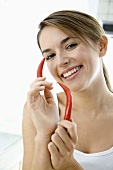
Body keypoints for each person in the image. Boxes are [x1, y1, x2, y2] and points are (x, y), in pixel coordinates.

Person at [22, 10, 113, 170]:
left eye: (70, 45)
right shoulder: (38, 110)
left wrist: (69, 166)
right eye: (50, 56)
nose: (61, 61)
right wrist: (44, 135)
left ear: (101, 46)